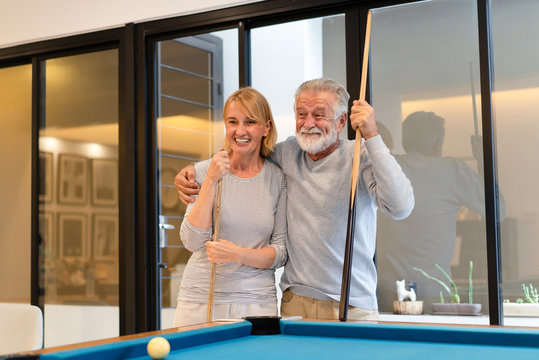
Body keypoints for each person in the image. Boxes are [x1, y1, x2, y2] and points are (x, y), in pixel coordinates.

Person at [176, 78, 414, 321]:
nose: (308, 123)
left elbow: (400, 206)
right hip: (295, 302)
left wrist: (373, 135)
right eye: (302, 114)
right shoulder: (286, 153)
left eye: (319, 114)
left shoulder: (359, 157)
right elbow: (246, 149)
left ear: (341, 121)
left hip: (351, 303)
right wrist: (191, 171)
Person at [173, 87, 287, 327]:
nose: (240, 131)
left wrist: (236, 254)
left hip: (257, 302)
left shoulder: (278, 178)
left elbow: (280, 252)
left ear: (266, 127)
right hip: (202, 299)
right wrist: (211, 181)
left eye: (250, 122)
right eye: (232, 122)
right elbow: (192, 241)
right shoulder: (205, 171)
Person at [373, 111, 504, 313]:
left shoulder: (388, 168)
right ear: (438, 142)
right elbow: (498, 211)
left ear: (406, 140)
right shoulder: (452, 171)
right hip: (434, 292)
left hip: (383, 292)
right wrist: (484, 161)